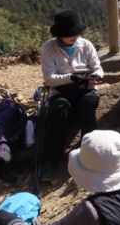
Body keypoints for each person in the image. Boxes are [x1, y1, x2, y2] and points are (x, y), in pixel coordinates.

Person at [40, 10, 103, 174]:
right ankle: (52, 159)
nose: (75, 37)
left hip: (86, 89)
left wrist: (96, 76)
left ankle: (90, 152)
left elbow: (97, 68)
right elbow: (49, 79)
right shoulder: (49, 48)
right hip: (61, 92)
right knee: (59, 108)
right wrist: (71, 78)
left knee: (88, 104)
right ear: (60, 35)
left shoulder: (86, 45)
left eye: (77, 33)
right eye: (70, 34)